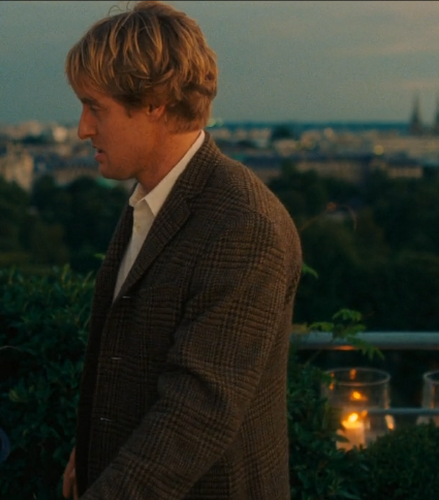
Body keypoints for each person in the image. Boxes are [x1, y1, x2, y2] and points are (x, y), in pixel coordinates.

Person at [60, 2, 303, 499]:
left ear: (154, 103)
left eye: (95, 108)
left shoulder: (243, 226)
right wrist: (90, 453)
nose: (83, 128)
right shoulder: (156, 197)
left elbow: (194, 417)